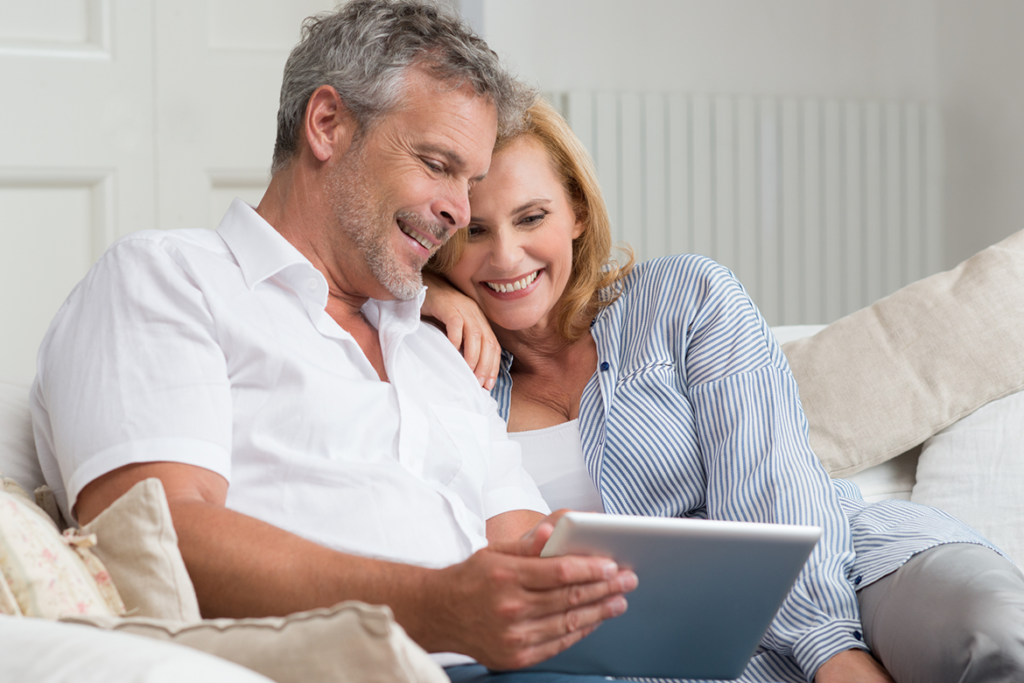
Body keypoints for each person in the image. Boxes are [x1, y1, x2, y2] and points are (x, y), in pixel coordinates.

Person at [30, 1, 639, 675]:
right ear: (327, 125)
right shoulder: (170, 280)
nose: (461, 212)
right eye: (438, 165)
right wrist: (436, 606)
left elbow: (529, 541)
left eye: (469, 181)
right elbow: (155, 529)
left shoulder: (439, 347)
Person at [423, 98, 1024, 683]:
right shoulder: (436, 368)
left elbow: (772, 482)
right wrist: (423, 297)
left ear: (577, 211)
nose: (506, 256)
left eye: (532, 217)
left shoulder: (684, 297)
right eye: (474, 231)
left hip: (852, 572)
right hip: (671, 649)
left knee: (999, 641)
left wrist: (830, 649)